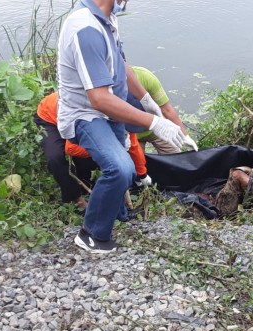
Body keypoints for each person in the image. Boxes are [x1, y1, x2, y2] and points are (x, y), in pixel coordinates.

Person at [57, 0, 195, 253]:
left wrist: (147, 101)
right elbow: (98, 98)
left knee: (129, 169)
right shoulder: (84, 27)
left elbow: (121, 64)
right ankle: (91, 234)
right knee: (119, 168)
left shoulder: (107, 18)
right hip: (87, 115)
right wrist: (155, 122)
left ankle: (119, 215)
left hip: (112, 111)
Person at [34, 91, 151, 210]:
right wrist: (107, 148)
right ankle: (77, 200)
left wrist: (142, 175)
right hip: (50, 117)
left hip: (72, 115)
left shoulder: (120, 114)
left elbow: (133, 145)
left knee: (103, 150)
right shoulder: (92, 116)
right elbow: (71, 148)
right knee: (55, 157)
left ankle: (88, 182)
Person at [128, 66, 195, 155]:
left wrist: (185, 136)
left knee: (176, 157)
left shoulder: (145, 77)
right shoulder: (111, 85)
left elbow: (167, 110)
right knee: (136, 166)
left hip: (159, 127)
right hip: (132, 134)